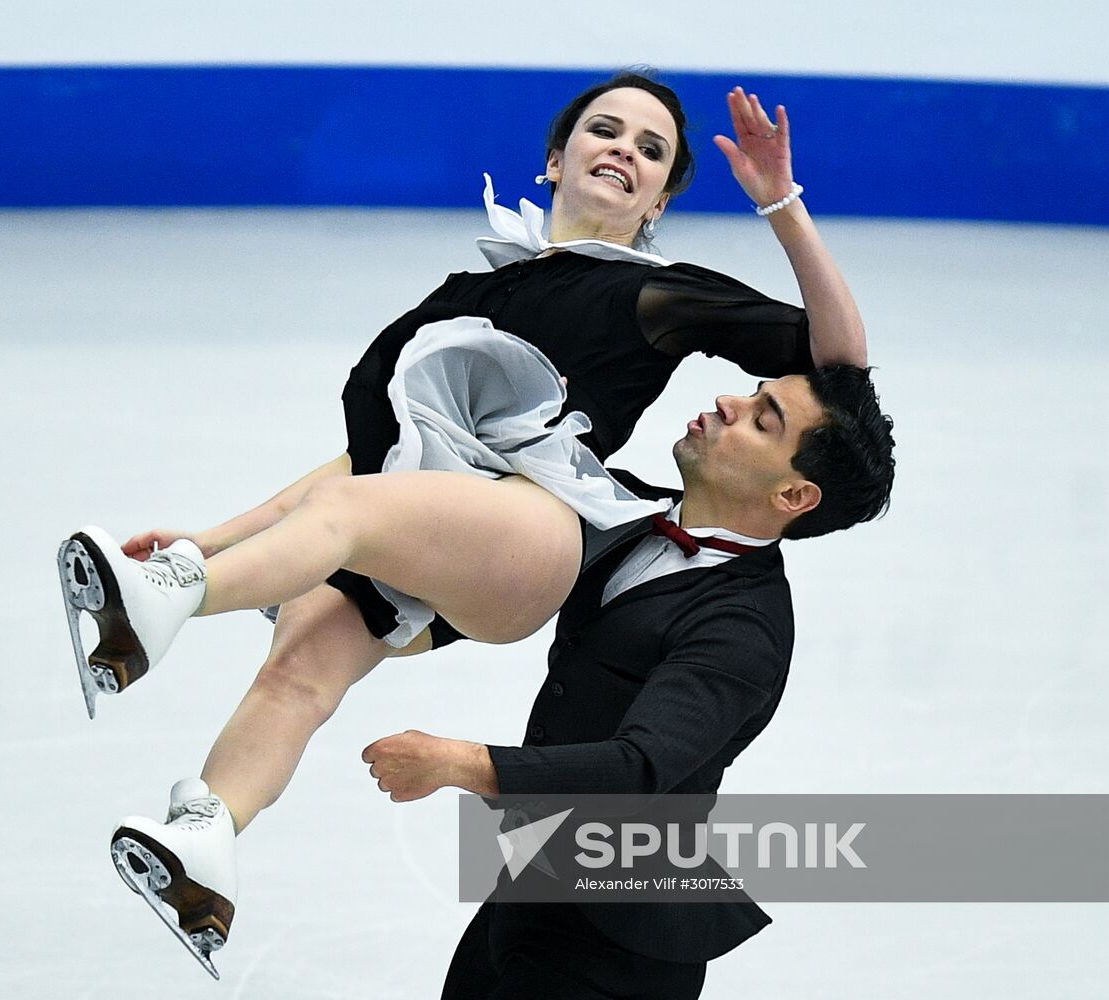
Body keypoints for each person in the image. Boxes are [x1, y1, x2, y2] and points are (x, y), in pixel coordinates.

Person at [57, 74, 869, 978]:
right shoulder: (465, 293)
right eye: (604, 130)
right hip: (427, 524)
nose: (623, 153)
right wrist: (206, 541)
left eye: (651, 151)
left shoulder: (655, 294)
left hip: (529, 527)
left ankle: (157, 609)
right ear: (554, 159)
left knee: (350, 520)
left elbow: (840, 367)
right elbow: (360, 461)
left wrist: (780, 204)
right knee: (298, 661)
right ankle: (205, 843)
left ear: (660, 198)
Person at [359, 365, 897, 999]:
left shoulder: (742, 630)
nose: (727, 401)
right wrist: (379, 628)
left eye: (762, 419)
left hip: (621, 943)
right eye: (750, 394)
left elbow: (638, 769)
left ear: (793, 496)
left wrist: (459, 763)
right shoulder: (624, 510)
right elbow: (508, 582)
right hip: (536, 880)